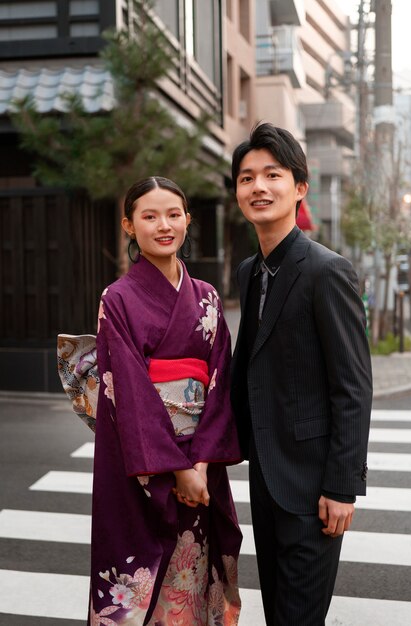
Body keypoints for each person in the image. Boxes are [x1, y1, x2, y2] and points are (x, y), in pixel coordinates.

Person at [59, 176, 242, 625]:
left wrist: (199, 465)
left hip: (199, 463)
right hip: (148, 466)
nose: (164, 225)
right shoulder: (117, 299)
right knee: (145, 574)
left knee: (194, 576)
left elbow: (220, 385)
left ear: (187, 220)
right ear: (128, 225)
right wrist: (176, 468)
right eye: (149, 215)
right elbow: (128, 388)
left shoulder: (208, 298)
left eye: (174, 214)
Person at [230, 123, 372, 626]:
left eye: (273, 174)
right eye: (247, 178)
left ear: (300, 187)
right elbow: (250, 365)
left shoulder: (326, 271)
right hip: (267, 481)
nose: (259, 187)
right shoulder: (250, 271)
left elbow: (352, 387)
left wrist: (341, 487)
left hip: (314, 488)